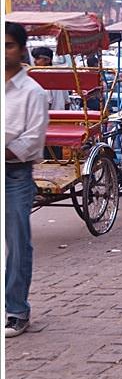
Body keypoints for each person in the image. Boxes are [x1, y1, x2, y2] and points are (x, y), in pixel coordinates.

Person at [5, 22, 50, 337]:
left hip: (14, 175)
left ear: (21, 50)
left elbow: (32, 141)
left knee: (18, 244)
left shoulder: (33, 92)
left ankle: (16, 310)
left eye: (7, 45)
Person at [31, 46, 70, 111]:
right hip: (60, 114)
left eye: (37, 58)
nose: (35, 61)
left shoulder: (44, 75)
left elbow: (47, 103)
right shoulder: (59, 74)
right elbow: (67, 102)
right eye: (35, 58)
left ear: (47, 60)